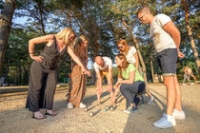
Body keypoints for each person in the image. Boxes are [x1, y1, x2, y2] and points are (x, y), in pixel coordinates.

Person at [26, 27, 91, 120]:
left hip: (53, 68)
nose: (71, 39)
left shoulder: (67, 46)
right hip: (40, 65)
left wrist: (84, 68)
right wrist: (32, 54)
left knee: (51, 88)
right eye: (71, 37)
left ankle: (48, 109)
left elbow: (75, 57)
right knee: (36, 87)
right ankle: (35, 111)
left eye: (73, 38)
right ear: (66, 33)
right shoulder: (52, 37)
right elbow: (31, 41)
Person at [137, 6, 185, 128]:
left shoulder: (160, 18)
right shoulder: (152, 26)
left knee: (168, 82)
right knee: (173, 81)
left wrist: (176, 50)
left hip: (167, 51)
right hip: (162, 53)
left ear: (146, 13)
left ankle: (168, 118)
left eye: (140, 18)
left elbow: (176, 33)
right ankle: (178, 110)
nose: (140, 21)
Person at [117, 39, 154, 104]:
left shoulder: (132, 49)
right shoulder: (121, 52)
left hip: (135, 67)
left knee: (139, 83)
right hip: (128, 68)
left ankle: (150, 96)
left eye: (121, 46)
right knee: (132, 84)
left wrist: (136, 68)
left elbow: (137, 58)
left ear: (125, 44)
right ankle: (138, 98)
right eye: (119, 47)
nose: (120, 48)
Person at [67, 35, 90, 108]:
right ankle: (70, 101)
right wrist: (82, 67)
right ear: (80, 42)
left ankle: (79, 101)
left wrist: (85, 68)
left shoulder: (85, 49)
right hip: (76, 66)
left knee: (82, 84)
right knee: (75, 84)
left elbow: (86, 59)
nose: (85, 45)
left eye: (86, 44)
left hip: (83, 66)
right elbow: (76, 59)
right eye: (84, 43)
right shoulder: (75, 48)